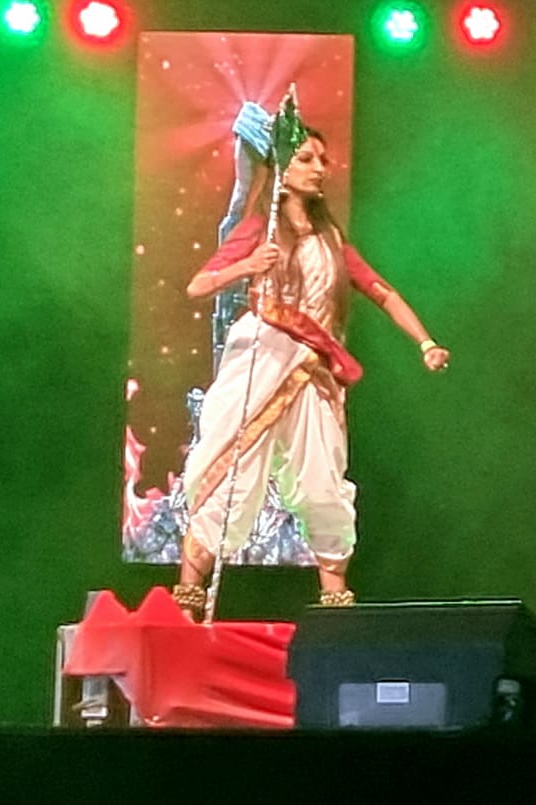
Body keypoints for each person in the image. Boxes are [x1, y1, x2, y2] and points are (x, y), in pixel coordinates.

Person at [171, 129, 450, 620]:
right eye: (306, 158)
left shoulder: (332, 240)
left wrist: (425, 342)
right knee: (229, 477)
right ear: (282, 170)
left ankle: (336, 607)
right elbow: (198, 285)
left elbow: (382, 292)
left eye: (322, 159)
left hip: (314, 370)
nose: (319, 168)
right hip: (259, 361)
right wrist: (247, 266)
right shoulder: (260, 229)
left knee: (322, 483)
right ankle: (187, 607)